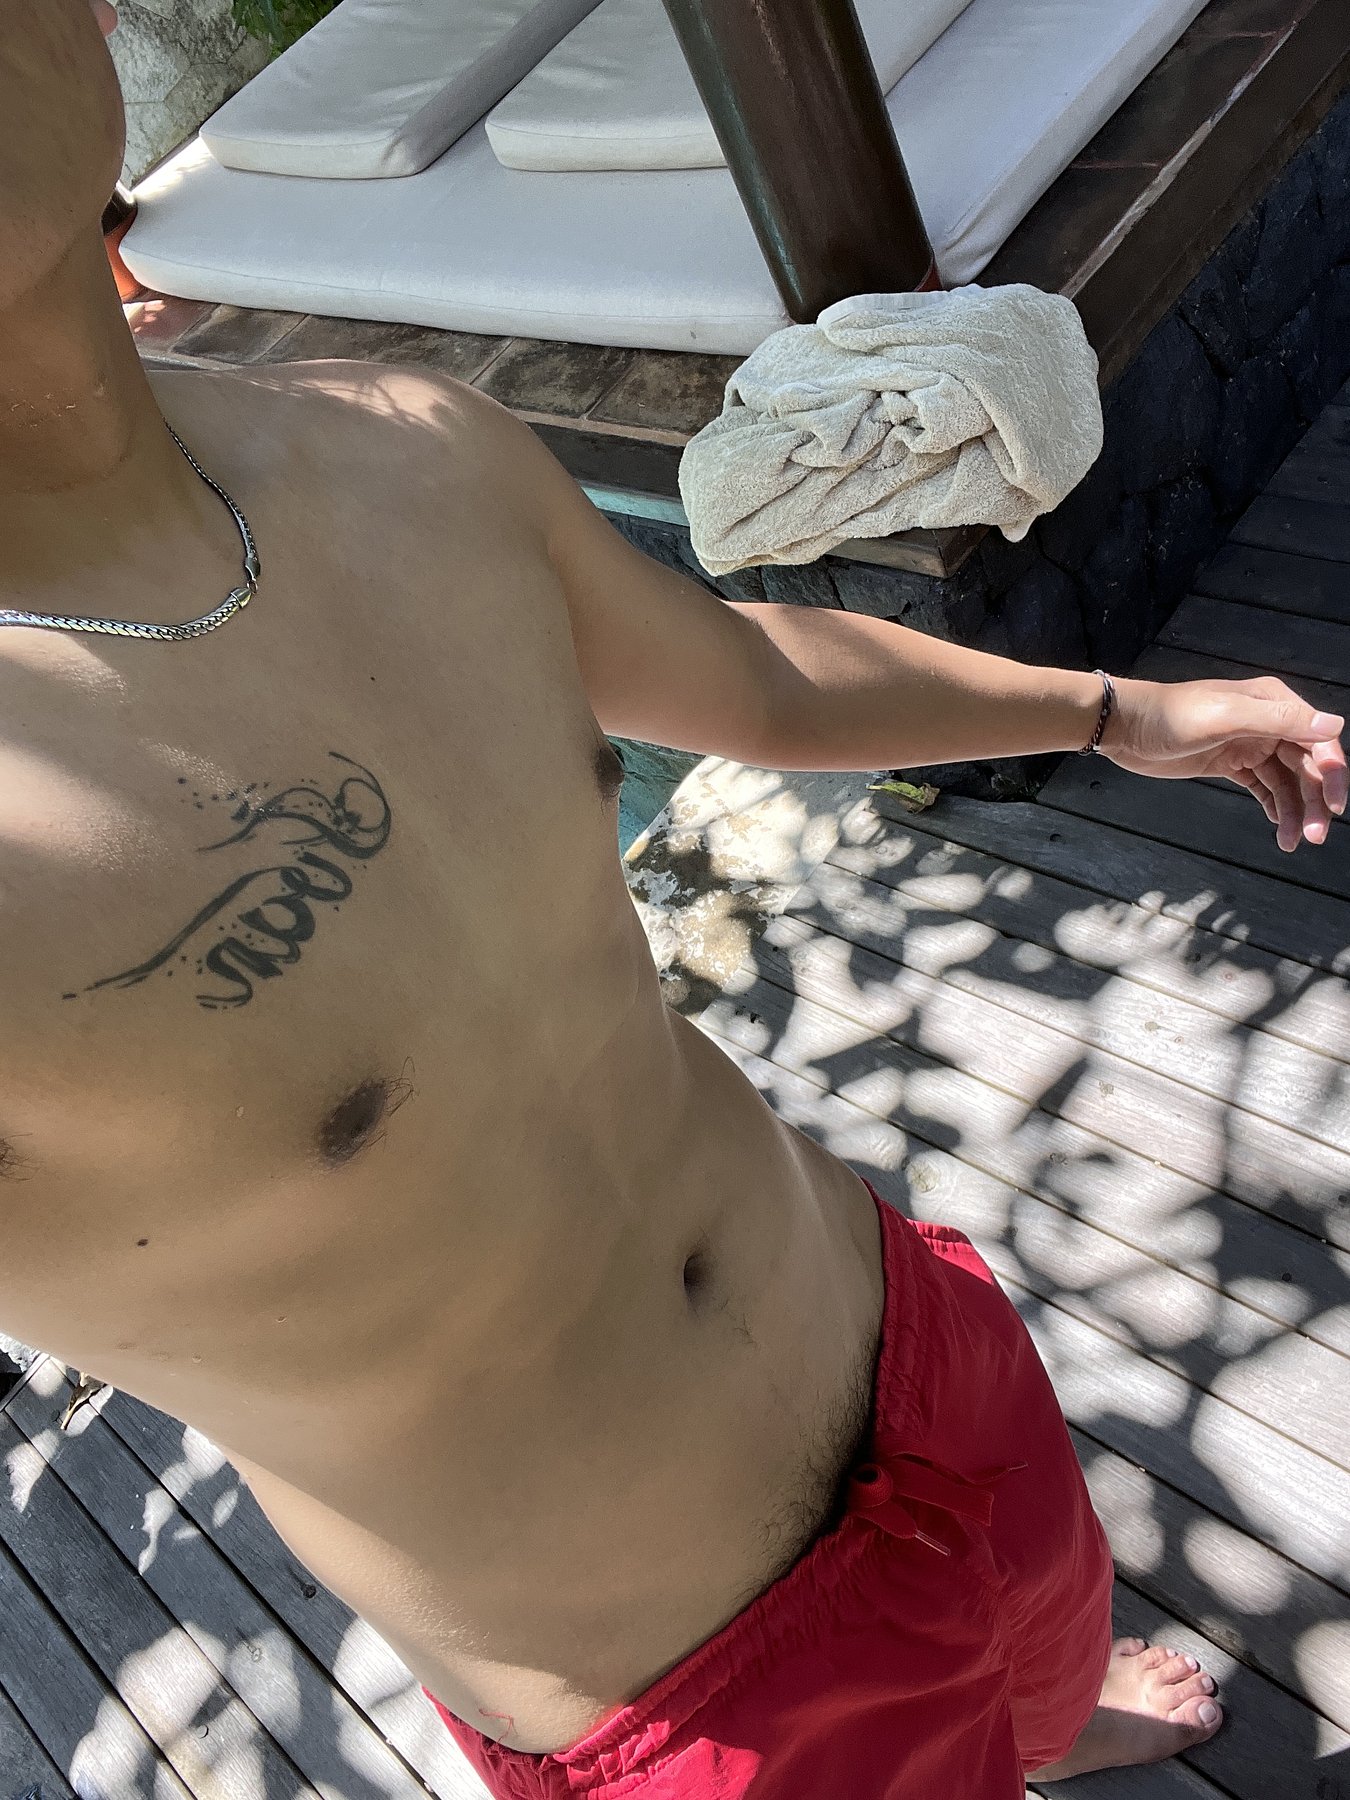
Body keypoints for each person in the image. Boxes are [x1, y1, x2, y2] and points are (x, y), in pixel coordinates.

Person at [3, 4, 1344, 1794]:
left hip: (903, 1342)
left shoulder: (402, 446)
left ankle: (1045, 1719)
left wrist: (1114, 711)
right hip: (691, 1692)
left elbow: (747, 676)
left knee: (1043, 1639)